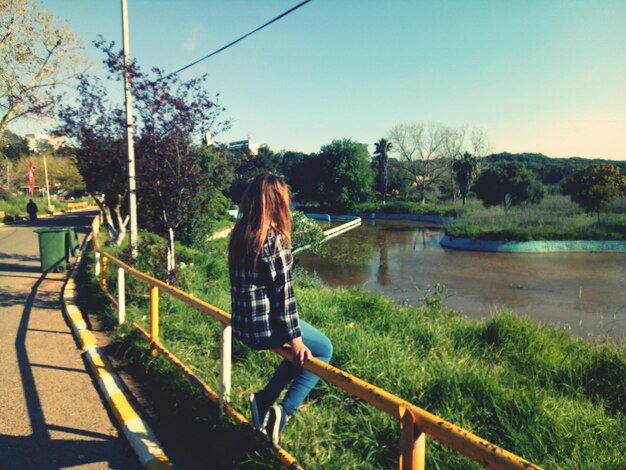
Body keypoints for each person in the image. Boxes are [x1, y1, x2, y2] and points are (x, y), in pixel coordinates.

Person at [228, 173, 333, 445]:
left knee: (300, 350)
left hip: (242, 327)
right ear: (277, 203)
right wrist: (295, 340)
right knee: (322, 348)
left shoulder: (240, 235)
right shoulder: (274, 240)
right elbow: (285, 297)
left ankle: (263, 400)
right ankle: (283, 414)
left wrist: (295, 340)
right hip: (263, 330)